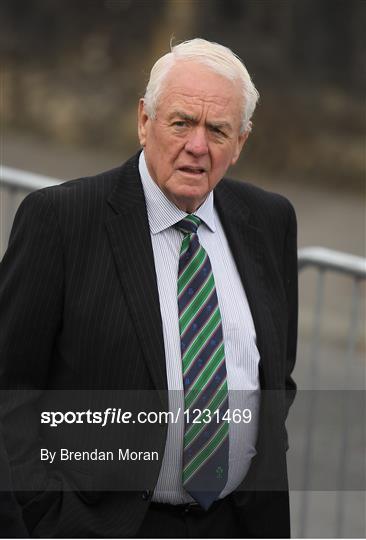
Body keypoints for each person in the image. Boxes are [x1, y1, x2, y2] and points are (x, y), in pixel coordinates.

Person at [0, 38, 298, 538]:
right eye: (181, 122)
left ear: (241, 142)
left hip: (236, 523)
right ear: (144, 121)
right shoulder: (63, 220)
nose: (198, 146)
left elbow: (275, 377)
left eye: (218, 130)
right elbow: (11, 387)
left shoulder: (269, 221)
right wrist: (41, 514)